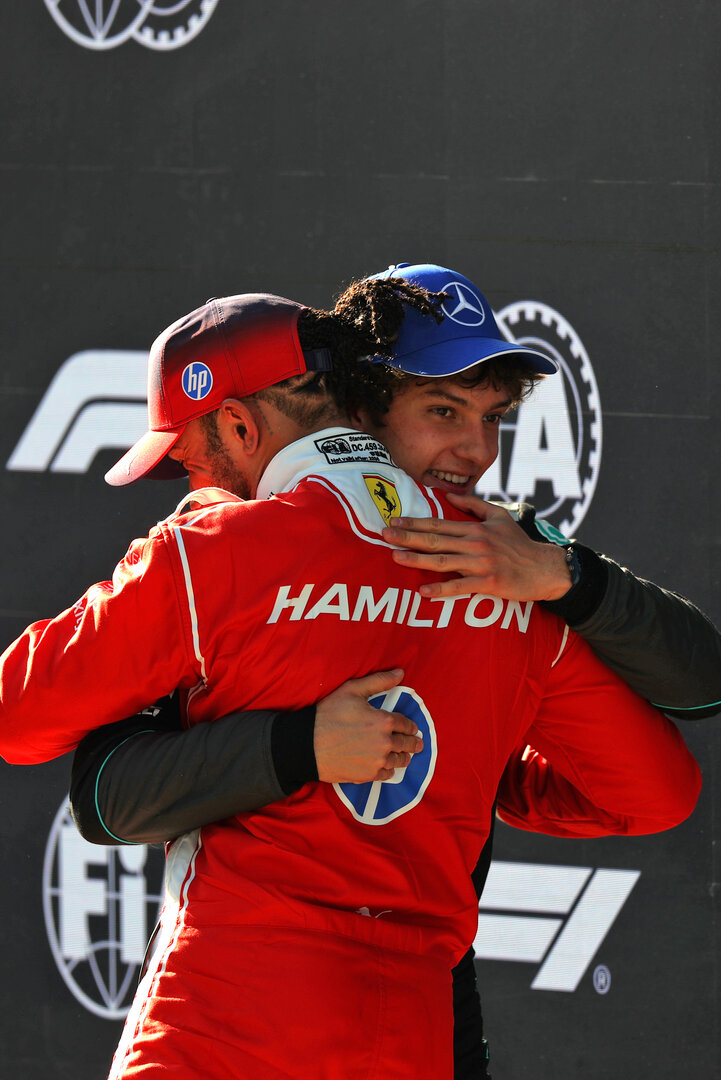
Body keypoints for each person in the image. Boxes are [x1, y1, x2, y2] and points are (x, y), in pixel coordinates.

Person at [0, 286, 701, 1079]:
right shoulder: (509, 574)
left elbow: (15, 719)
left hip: (225, 1013)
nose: (198, 484)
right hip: (408, 1032)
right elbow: (657, 792)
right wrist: (476, 765)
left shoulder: (214, 551)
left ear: (236, 426)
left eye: (193, 464)